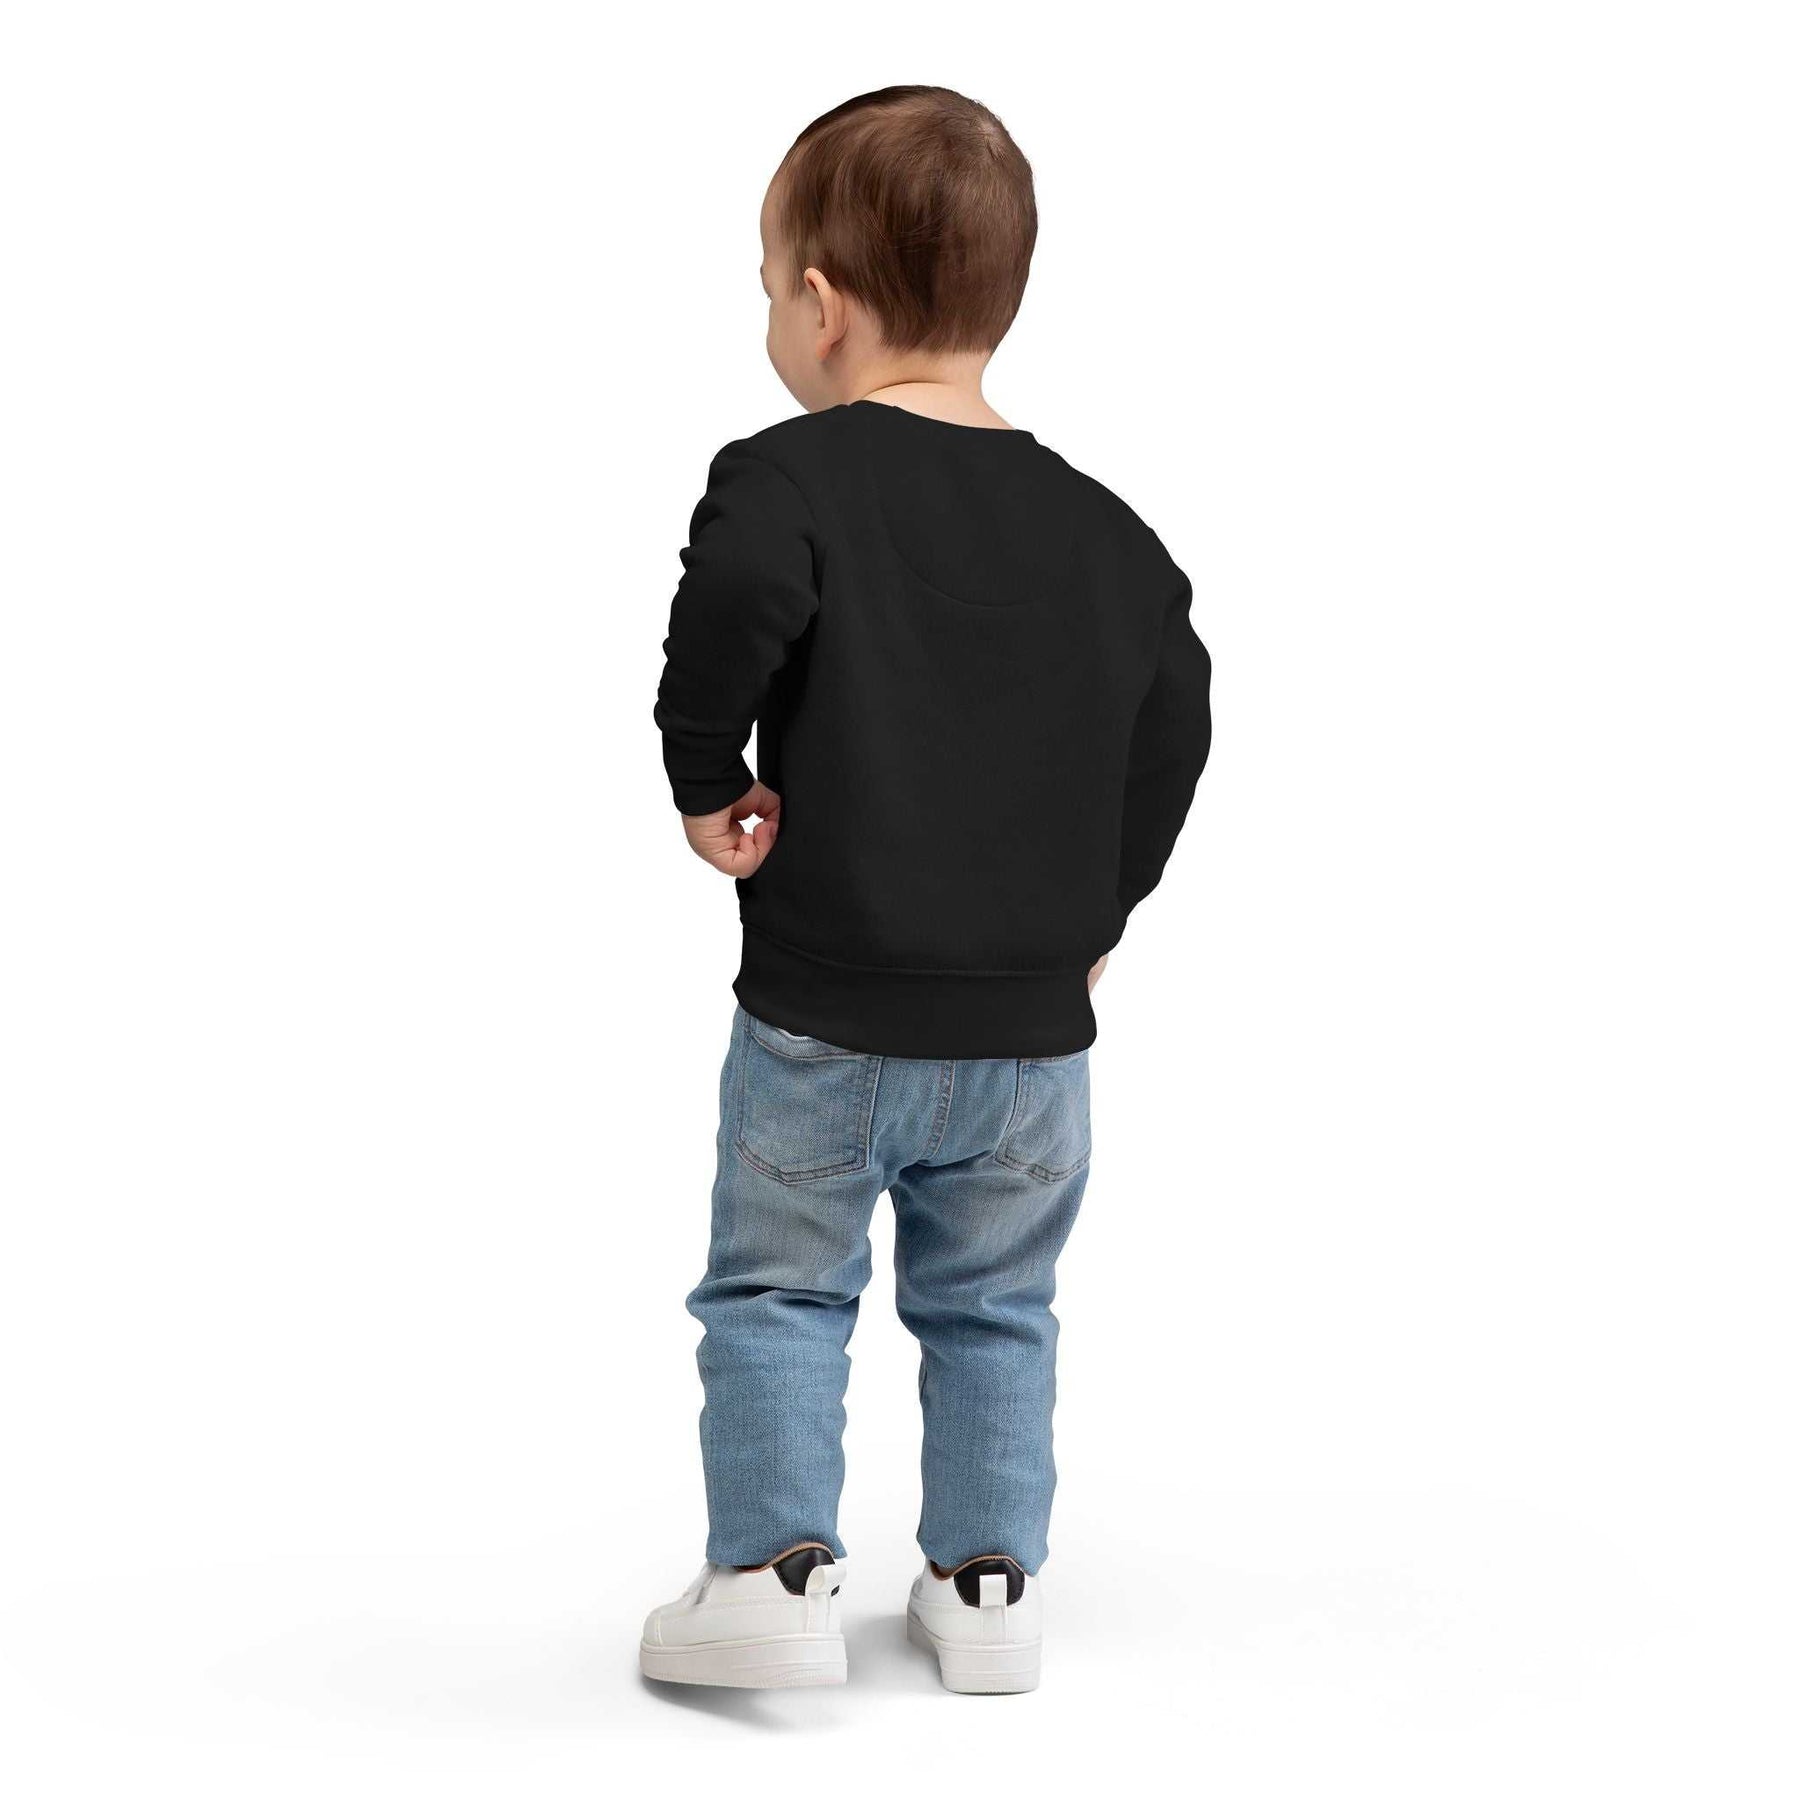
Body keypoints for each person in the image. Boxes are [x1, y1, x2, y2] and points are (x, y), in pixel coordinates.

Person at [641, 86, 1211, 1694]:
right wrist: (1099, 917)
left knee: (778, 1289)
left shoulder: (790, 480)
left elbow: (736, 594)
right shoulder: (1112, 537)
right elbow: (1177, 718)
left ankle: (770, 1578)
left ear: (821, 307)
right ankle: (984, 1586)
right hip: (1031, 1050)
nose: (774, 314)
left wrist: (704, 776)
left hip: (822, 1021)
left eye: (770, 285)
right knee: (997, 1306)